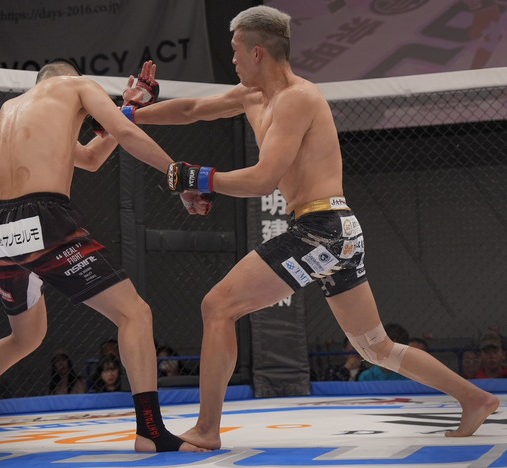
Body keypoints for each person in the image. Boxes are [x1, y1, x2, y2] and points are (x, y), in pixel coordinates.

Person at [132, 5, 500, 448]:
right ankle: (475, 398)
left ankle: (207, 429)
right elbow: (191, 109)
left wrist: (196, 177)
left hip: (322, 228)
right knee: (375, 347)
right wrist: (129, 117)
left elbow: (263, 179)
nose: (231, 59)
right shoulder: (252, 96)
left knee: (218, 306)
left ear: (257, 52)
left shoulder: (298, 98)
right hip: (333, 231)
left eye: (235, 50)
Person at [0, 59, 204, 453]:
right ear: (69, 78)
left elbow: (90, 158)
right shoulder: (76, 85)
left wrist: (128, 107)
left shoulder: (11, 109)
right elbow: (124, 133)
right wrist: (180, 178)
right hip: (43, 219)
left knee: (25, 337)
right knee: (135, 314)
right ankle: (151, 431)